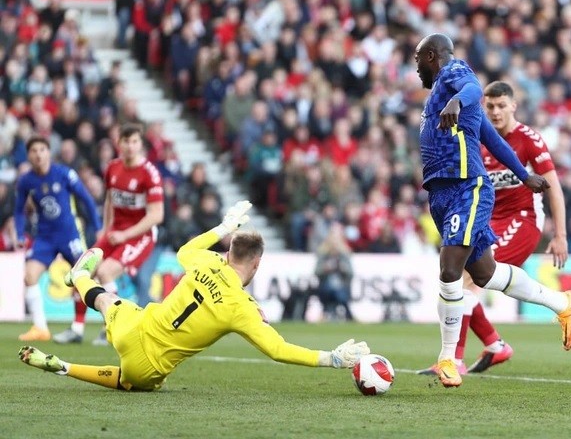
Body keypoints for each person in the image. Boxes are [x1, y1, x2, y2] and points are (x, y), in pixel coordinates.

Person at [19, 201, 370, 391]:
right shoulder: (242, 308)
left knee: (108, 301)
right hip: (148, 367)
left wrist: (223, 227)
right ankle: (63, 368)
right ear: (257, 265)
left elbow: (187, 248)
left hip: (135, 327)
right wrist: (332, 359)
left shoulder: (202, 259)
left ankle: (79, 276)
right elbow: (279, 350)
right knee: (129, 380)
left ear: (228, 252)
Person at [414, 33, 571, 388]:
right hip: (441, 193)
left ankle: (448, 359)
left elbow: (472, 88)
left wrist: (457, 100)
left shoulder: (454, 73)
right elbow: (490, 136)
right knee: (486, 273)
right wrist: (524, 175)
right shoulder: (437, 96)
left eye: (418, 60)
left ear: (431, 55)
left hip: (466, 187)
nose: (416, 68)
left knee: (450, 270)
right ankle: (561, 302)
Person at [54, 123, 165, 345]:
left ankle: (114, 327)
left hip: (140, 236)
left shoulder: (149, 174)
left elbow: (156, 216)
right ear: (119, 143)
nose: (130, 146)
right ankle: (77, 329)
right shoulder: (113, 168)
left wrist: (125, 235)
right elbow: (109, 201)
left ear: (140, 144)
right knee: (81, 270)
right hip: (114, 232)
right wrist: (105, 228)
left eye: (134, 142)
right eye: (126, 141)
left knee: (105, 273)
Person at [14, 136, 102, 341]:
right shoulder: (26, 181)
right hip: (44, 238)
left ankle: (82, 328)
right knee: (30, 276)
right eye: (34, 151)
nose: (38, 154)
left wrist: (98, 227)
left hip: (69, 234)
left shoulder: (64, 174)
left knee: (84, 278)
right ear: (29, 155)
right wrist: (19, 233)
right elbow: (19, 211)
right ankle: (40, 328)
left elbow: (86, 199)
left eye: (42, 149)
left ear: (48, 152)